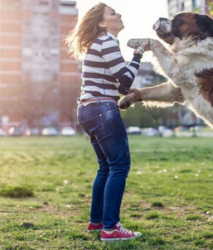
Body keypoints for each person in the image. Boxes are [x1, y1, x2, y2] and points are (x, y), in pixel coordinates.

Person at [65, 3, 149, 241]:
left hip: (88, 109)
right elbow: (123, 82)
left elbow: (116, 81)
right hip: (103, 109)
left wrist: (123, 84)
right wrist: (138, 54)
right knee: (119, 166)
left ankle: (97, 222)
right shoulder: (107, 41)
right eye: (113, 13)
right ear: (102, 23)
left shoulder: (99, 43)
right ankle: (110, 229)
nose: (119, 14)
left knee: (106, 167)